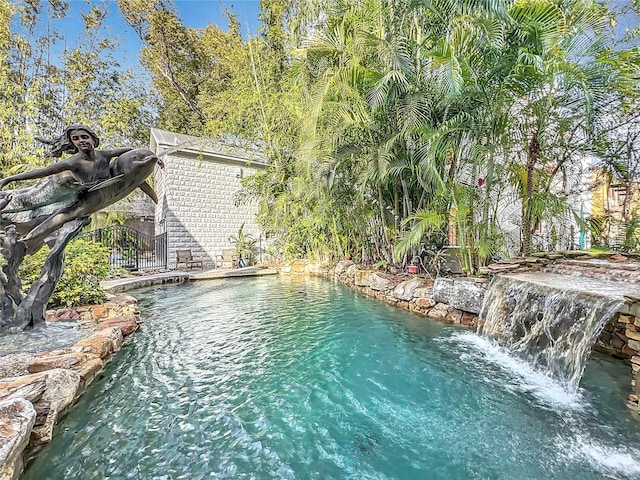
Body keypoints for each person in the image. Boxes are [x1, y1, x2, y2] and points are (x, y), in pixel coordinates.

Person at [0, 125, 132, 232]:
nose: (81, 141)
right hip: (53, 188)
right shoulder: (73, 162)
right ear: (73, 143)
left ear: (93, 139)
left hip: (72, 194)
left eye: (85, 137)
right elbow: (42, 172)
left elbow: (134, 151)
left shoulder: (105, 155)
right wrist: (9, 179)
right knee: (17, 201)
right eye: (76, 138)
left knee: (40, 215)